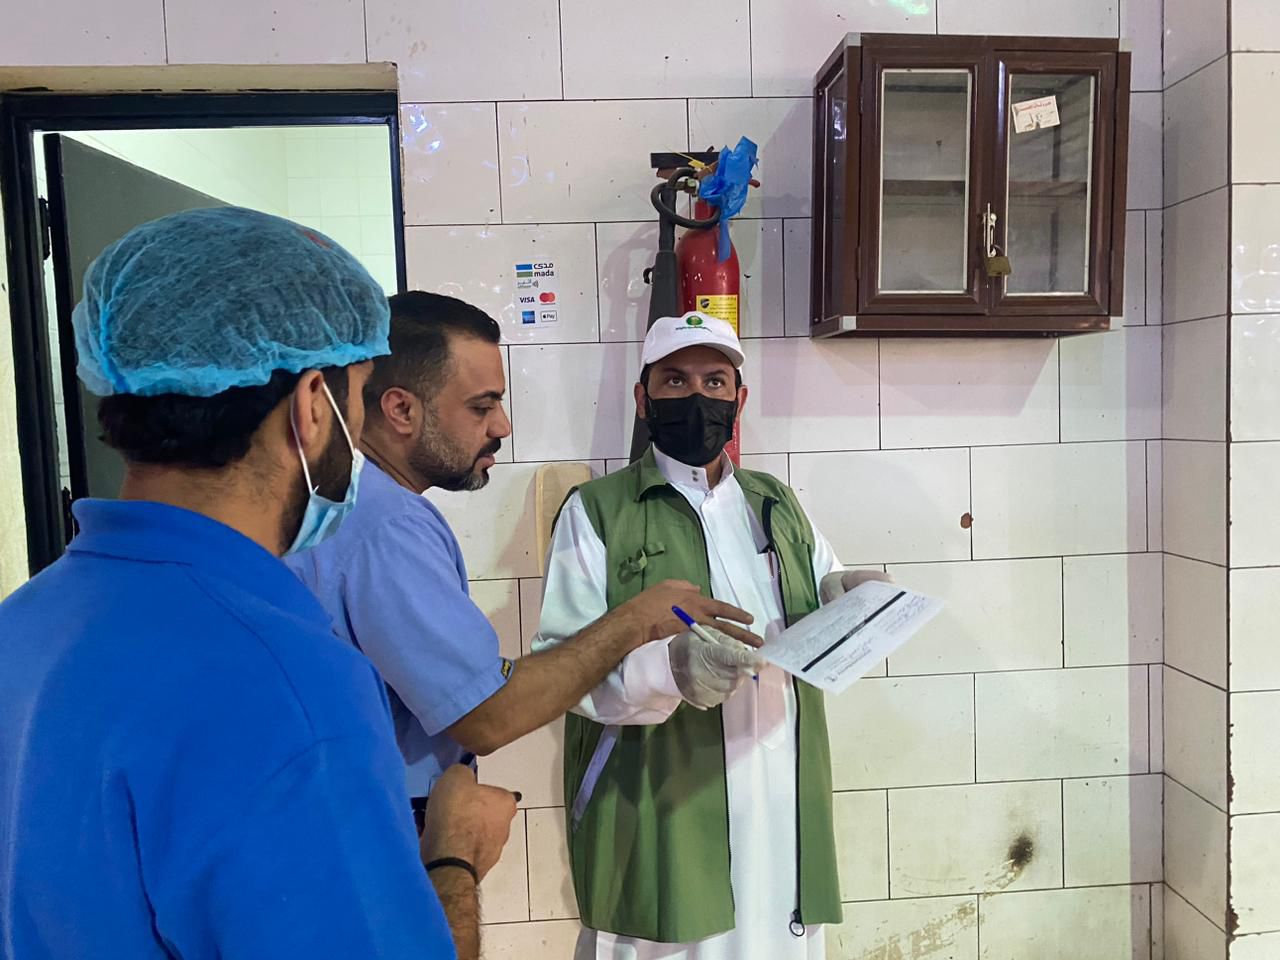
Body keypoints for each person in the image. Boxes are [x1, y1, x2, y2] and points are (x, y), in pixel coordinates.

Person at [0, 208, 514, 960]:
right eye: (358, 396)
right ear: (312, 407)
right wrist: (454, 858)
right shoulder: (289, 685)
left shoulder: (23, 625)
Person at [286, 292, 759, 827]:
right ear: (401, 410)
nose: (502, 426)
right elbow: (488, 716)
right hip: (368, 818)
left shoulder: (342, 502)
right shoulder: (388, 526)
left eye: (714, 382)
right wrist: (638, 621)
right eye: (481, 406)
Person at [535, 311, 887, 960]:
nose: (697, 396)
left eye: (715, 382)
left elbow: (819, 593)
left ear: (739, 401)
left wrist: (847, 594)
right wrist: (667, 668)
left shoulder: (775, 502)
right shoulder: (598, 512)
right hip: (660, 806)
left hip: (780, 798)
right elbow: (559, 670)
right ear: (643, 399)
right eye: (675, 381)